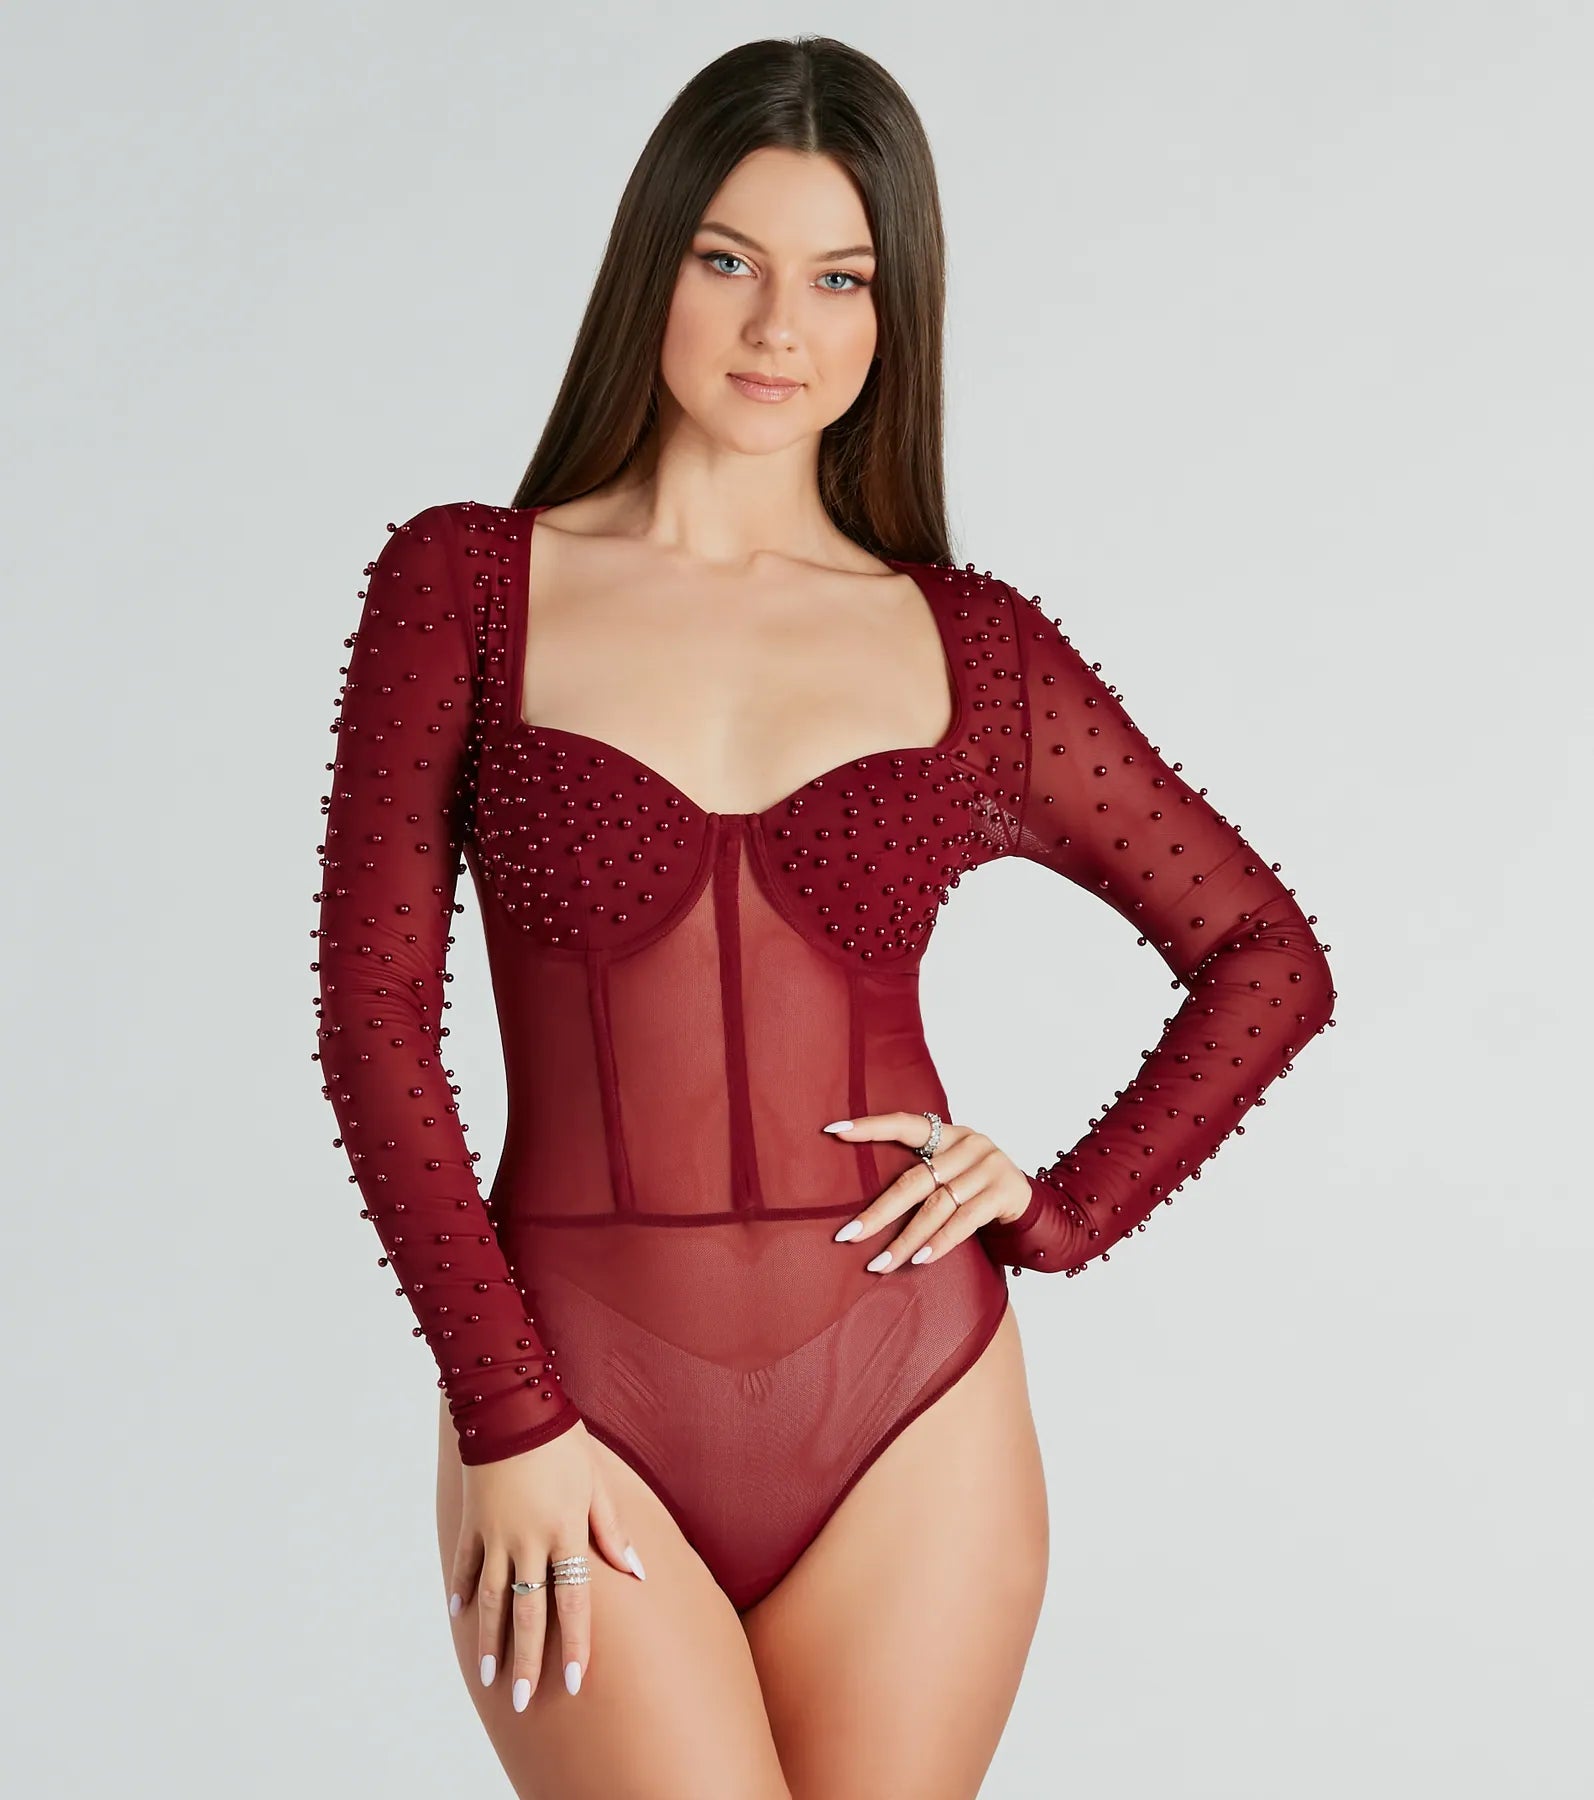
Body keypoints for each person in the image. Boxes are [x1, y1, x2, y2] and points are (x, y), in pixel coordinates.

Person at [313, 34, 1336, 1800]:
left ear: (892, 310)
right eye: (729, 259)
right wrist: (505, 1412)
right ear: (650, 263)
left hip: (910, 1401)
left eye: (839, 278)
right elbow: (374, 1022)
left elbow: (1266, 958)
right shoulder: (467, 584)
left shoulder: (973, 645)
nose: (778, 326)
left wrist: (1063, 1207)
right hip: (573, 1392)